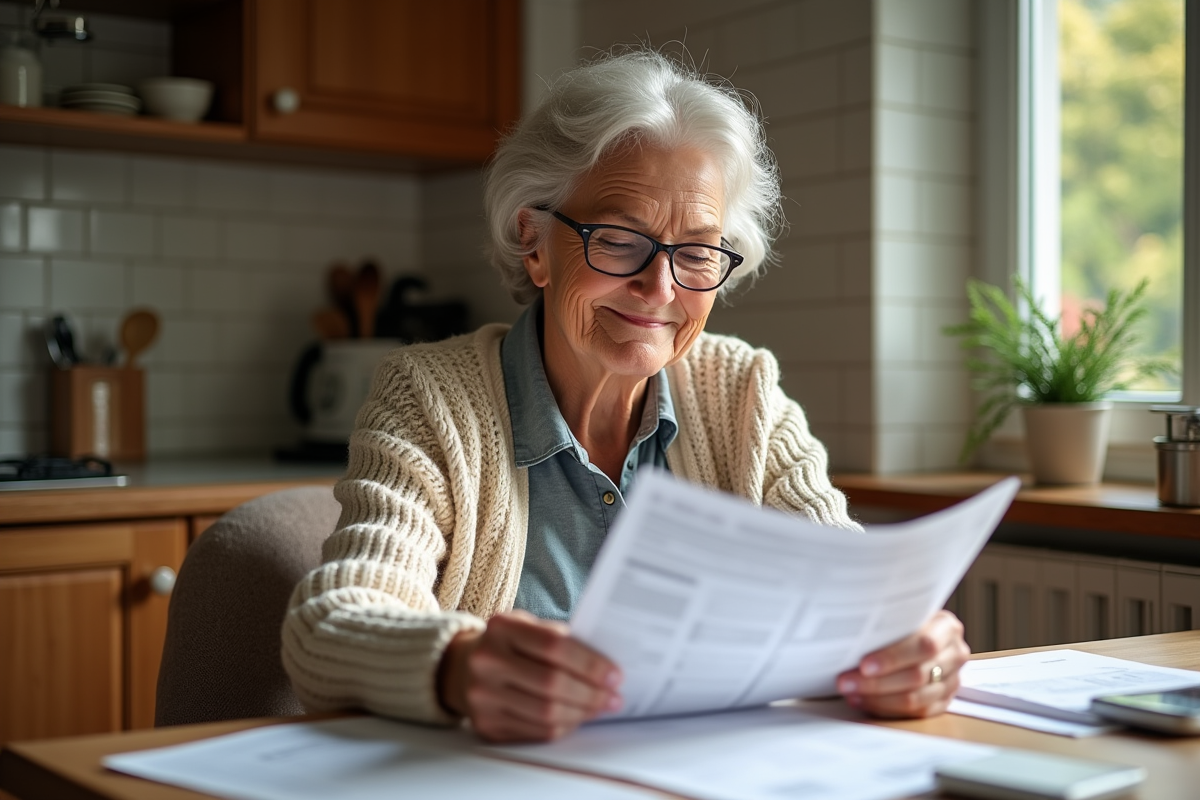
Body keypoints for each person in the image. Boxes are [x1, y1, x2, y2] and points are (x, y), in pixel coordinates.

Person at [281, 49, 969, 743]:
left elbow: (848, 595)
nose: (661, 289)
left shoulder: (742, 393)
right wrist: (456, 666)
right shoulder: (432, 396)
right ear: (535, 242)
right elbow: (327, 626)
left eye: (696, 252)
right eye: (618, 240)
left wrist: (907, 647)